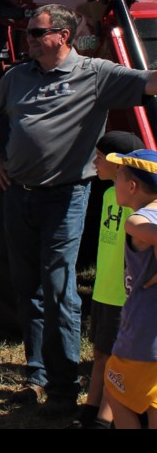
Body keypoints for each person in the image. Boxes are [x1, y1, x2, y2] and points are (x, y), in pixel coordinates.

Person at [0, 3, 157, 416]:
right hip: (17, 193)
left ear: (63, 35)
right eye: (28, 33)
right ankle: (36, 375)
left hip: (65, 196)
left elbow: (148, 81)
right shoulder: (16, 77)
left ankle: (64, 386)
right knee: (28, 287)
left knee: (59, 287)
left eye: (37, 33)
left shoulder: (95, 74)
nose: (29, 40)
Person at [72, 131, 144, 429]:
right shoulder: (106, 195)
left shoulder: (136, 200)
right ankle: (89, 413)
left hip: (121, 294)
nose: (94, 163)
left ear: (119, 164)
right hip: (103, 291)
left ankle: (105, 420)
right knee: (100, 354)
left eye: (99, 158)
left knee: (117, 361)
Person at [102, 149, 157, 429]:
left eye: (117, 179)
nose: (114, 185)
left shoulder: (136, 221)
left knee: (114, 388)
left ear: (132, 186)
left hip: (142, 337)